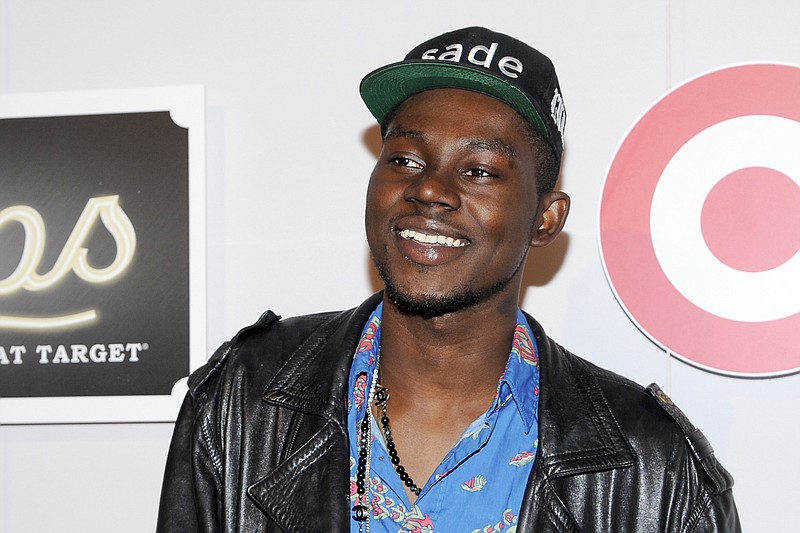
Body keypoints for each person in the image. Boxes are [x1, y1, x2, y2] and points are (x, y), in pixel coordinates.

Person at [157, 26, 741, 532]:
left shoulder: (654, 467)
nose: (429, 189)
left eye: (480, 170)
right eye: (405, 159)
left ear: (546, 218)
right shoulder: (244, 401)